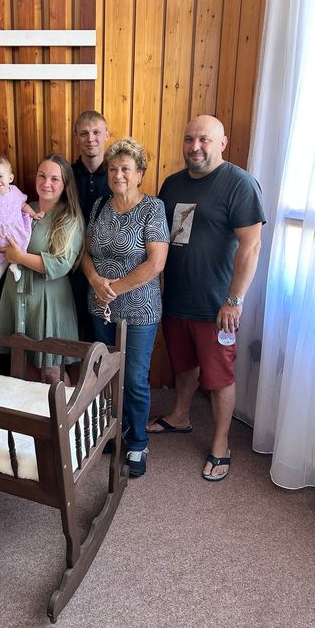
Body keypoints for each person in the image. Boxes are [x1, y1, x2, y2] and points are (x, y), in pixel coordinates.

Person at [148, 115, 265, 482]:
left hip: (217, 306)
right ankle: (180, 416)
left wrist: (235, 299)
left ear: (222, 143)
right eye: (189, 139)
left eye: (204, 140)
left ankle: (221, 444)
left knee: (219, 377)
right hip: (176, 297)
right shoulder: (172, 184)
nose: (195, 147)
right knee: (183, 365)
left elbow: (251, 246)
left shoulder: (240, 184)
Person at [81, 138, 170, 477]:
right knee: (104, 375)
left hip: (139, 309)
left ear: (139, 174)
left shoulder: (153, 208)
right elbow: (86, 253)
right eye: (113, 169)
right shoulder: (99, 206)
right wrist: (95, 281)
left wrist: (113, 289)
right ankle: (109, 430)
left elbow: (156, 263)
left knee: (133, 378)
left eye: (126, 169)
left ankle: (137, 443)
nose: (118, 175)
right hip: (100, 307)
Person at [0, 154, 84, 383]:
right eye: (42, 176)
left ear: (65, 184)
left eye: (54, 179)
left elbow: (60, 264)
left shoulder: (69, 218)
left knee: (52, 370)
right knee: (24, 367)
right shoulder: (21, 209)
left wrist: (19, 256)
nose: (46, 183)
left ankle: (65, 408)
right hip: (16, 294)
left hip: (48, 299)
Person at [0, 156, 44, 295]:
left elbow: (23, 205)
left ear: (10, 178)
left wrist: (34, 214)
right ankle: (14, 266)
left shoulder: (15, 191)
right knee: (6, 252)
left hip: (15, 230)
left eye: (0, 176)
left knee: (20, 247)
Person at [70, 110, 111, 340]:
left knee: (104, 337)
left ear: (107, 134)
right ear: (76, 137)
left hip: (108, 267)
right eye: (84, 133)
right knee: (76, 333)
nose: (90, 138)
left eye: (96, 132)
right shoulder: (66, 175)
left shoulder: (117, 176)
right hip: (72, 266)